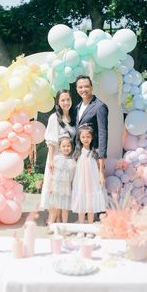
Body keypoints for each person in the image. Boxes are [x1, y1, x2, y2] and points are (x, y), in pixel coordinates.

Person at [40, 90, 76, 224]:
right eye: (63, 100)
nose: (66, 103)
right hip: (55, 158)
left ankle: (60, 219)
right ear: (58, 102)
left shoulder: (73, 117)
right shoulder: (54, 118)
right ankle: (52, 219)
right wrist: (50, 160)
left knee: (63, 189)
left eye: (68, 99)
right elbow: (50, 142)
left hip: (67, 159)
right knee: (54, 189)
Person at [75, 75, 108, 184]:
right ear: (76, 89)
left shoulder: (99, 106)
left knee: (92, 188)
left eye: (86, 86)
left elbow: (103, 133)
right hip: (79, 154)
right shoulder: (77, 107)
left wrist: (101, 159)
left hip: (93, 154)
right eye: (80, 87)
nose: (83, 89)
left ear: (92, 87)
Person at [71, 125, 107, 224]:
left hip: (92, 181)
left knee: (90, 204)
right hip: (81, 182)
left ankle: (90, 227)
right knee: (81, 204)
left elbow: (100, 167)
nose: (86, 139)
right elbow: (74, 169)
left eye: (88, 137)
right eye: (83, 137)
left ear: (92, 137)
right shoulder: (77, 152)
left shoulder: (95, 152)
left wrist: (101, 175)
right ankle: (81, 228)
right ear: (79, 138)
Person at [41, 135, 76, 224]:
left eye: (68, 146)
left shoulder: (72, 161)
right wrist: (51, 187)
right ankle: (51, 225)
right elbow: (52, 176)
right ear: (59, 148)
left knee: (65, 209)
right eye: (63, 146)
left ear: (71, 147)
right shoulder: (56, 159)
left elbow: (72, 177)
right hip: (56, 188)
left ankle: (64, 226)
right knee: (54, 209)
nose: (66, 148)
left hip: (66, 189)